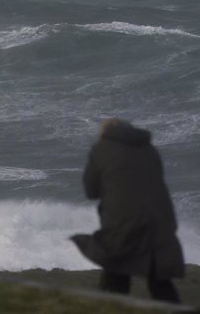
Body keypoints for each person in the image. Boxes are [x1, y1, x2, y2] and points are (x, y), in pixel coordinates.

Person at [71, 118, 184, 303]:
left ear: (104, 133)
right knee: (159, 281)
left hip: (123, 220)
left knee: (116, 270)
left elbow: (91, 191)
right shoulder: (150, 149)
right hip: (161, 219)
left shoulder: (101, 149)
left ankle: (110, 306)